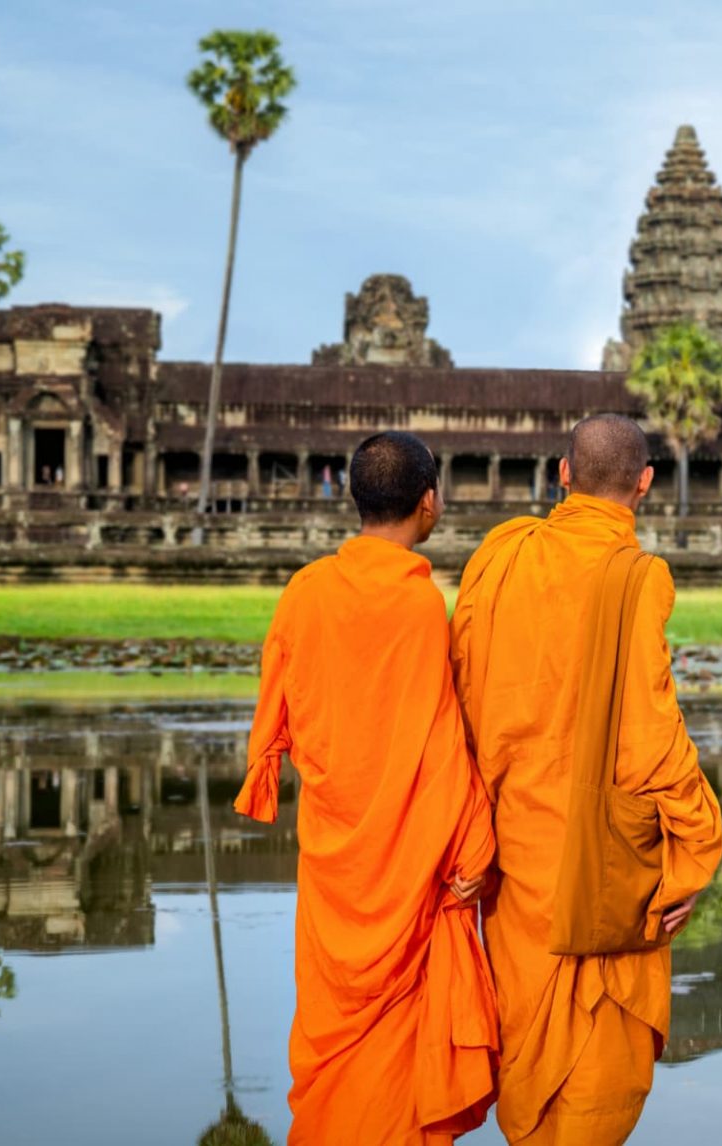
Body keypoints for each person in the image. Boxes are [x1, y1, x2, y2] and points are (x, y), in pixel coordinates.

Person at [450, 413, 722, 1145]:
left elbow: (462, 696)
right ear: (645, 485)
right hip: (599, 872)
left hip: (513, 856)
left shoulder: (499, 555)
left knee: (529, 1037)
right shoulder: (638, 578)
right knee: (595, 1074)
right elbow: (651, 737)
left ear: (563, 476)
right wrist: (696, 852)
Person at [234, 430, 500, 1145]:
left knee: (337, 1042)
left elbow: (276, 721)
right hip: (409, 865)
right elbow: (442, 741)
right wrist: (475, 843)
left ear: (353, 499)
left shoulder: (305, 592)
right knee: (401, 1075)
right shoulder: (419, 607)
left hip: (336, 859)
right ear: (429, 504)